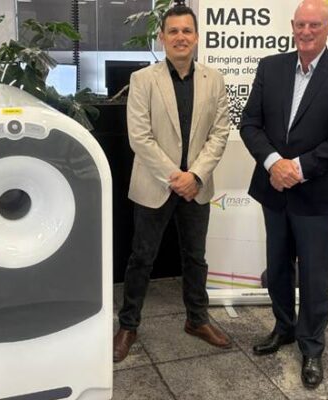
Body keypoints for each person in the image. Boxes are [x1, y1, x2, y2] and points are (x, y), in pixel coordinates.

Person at [240, 0, 328, 389]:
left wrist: (297, 167)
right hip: (274, 188)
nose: (306, 32)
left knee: (313, 274)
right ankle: (284, 327)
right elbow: (249, 124)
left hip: (316, 192)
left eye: (315, 25)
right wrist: (274, 163)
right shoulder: (270, 67)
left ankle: (312, 347)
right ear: (292, 26)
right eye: (300, 25)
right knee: (277, 266)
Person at [113, 4, 231, 363]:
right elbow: (140, 137)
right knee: (141, 258)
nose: (181, 37)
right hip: (155, 184)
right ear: (162, 38)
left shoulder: (214, 80)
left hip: (197, 186)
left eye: (187, 31)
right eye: (174, 31)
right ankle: (128, 325)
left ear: (196, 37)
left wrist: (195, 176)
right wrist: (175, 176)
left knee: (196, 258)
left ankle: (197, 320)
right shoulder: (143, 79)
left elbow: (220, 133)